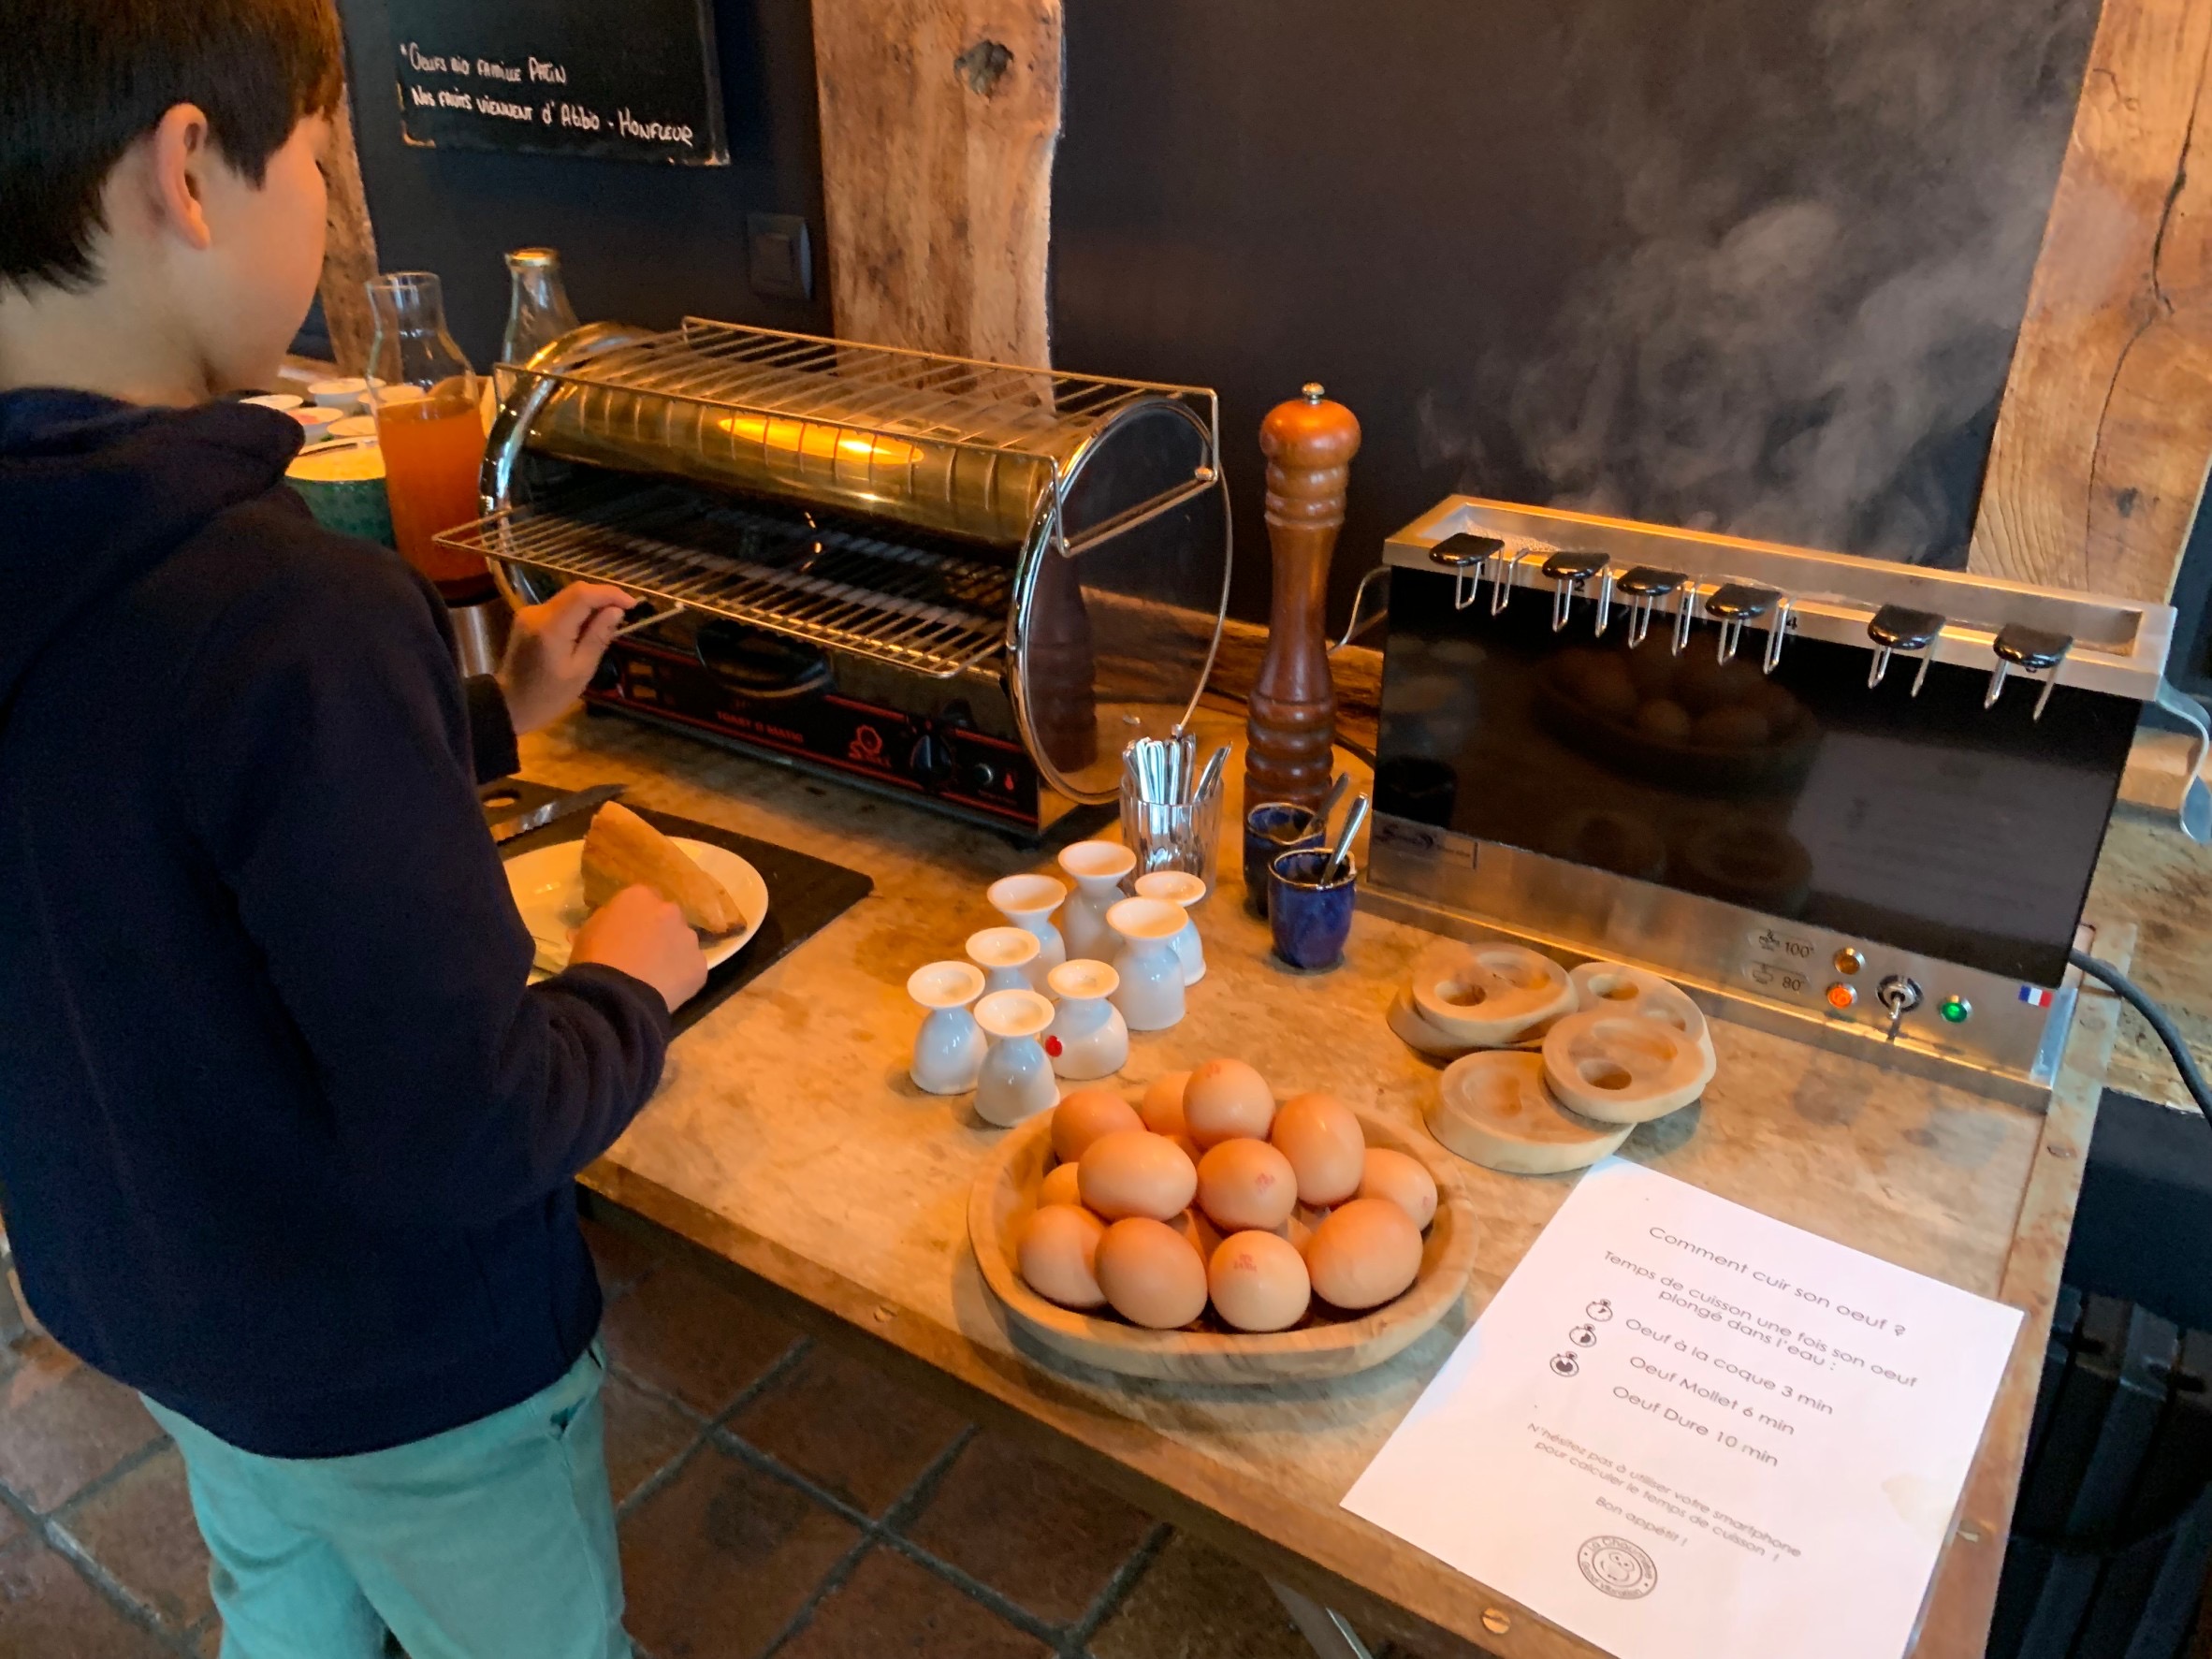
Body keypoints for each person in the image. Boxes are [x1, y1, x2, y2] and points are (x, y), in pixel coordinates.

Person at [0, 5, 707, 1655]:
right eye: (319, 161)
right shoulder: (296, 616)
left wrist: (479, 717)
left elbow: (111, 809)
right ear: (188, 171)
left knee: (284, 1607)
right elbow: (471, 1129)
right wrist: (629, 979)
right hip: (407, 1363)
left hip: (166, 1305)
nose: (320, 207)